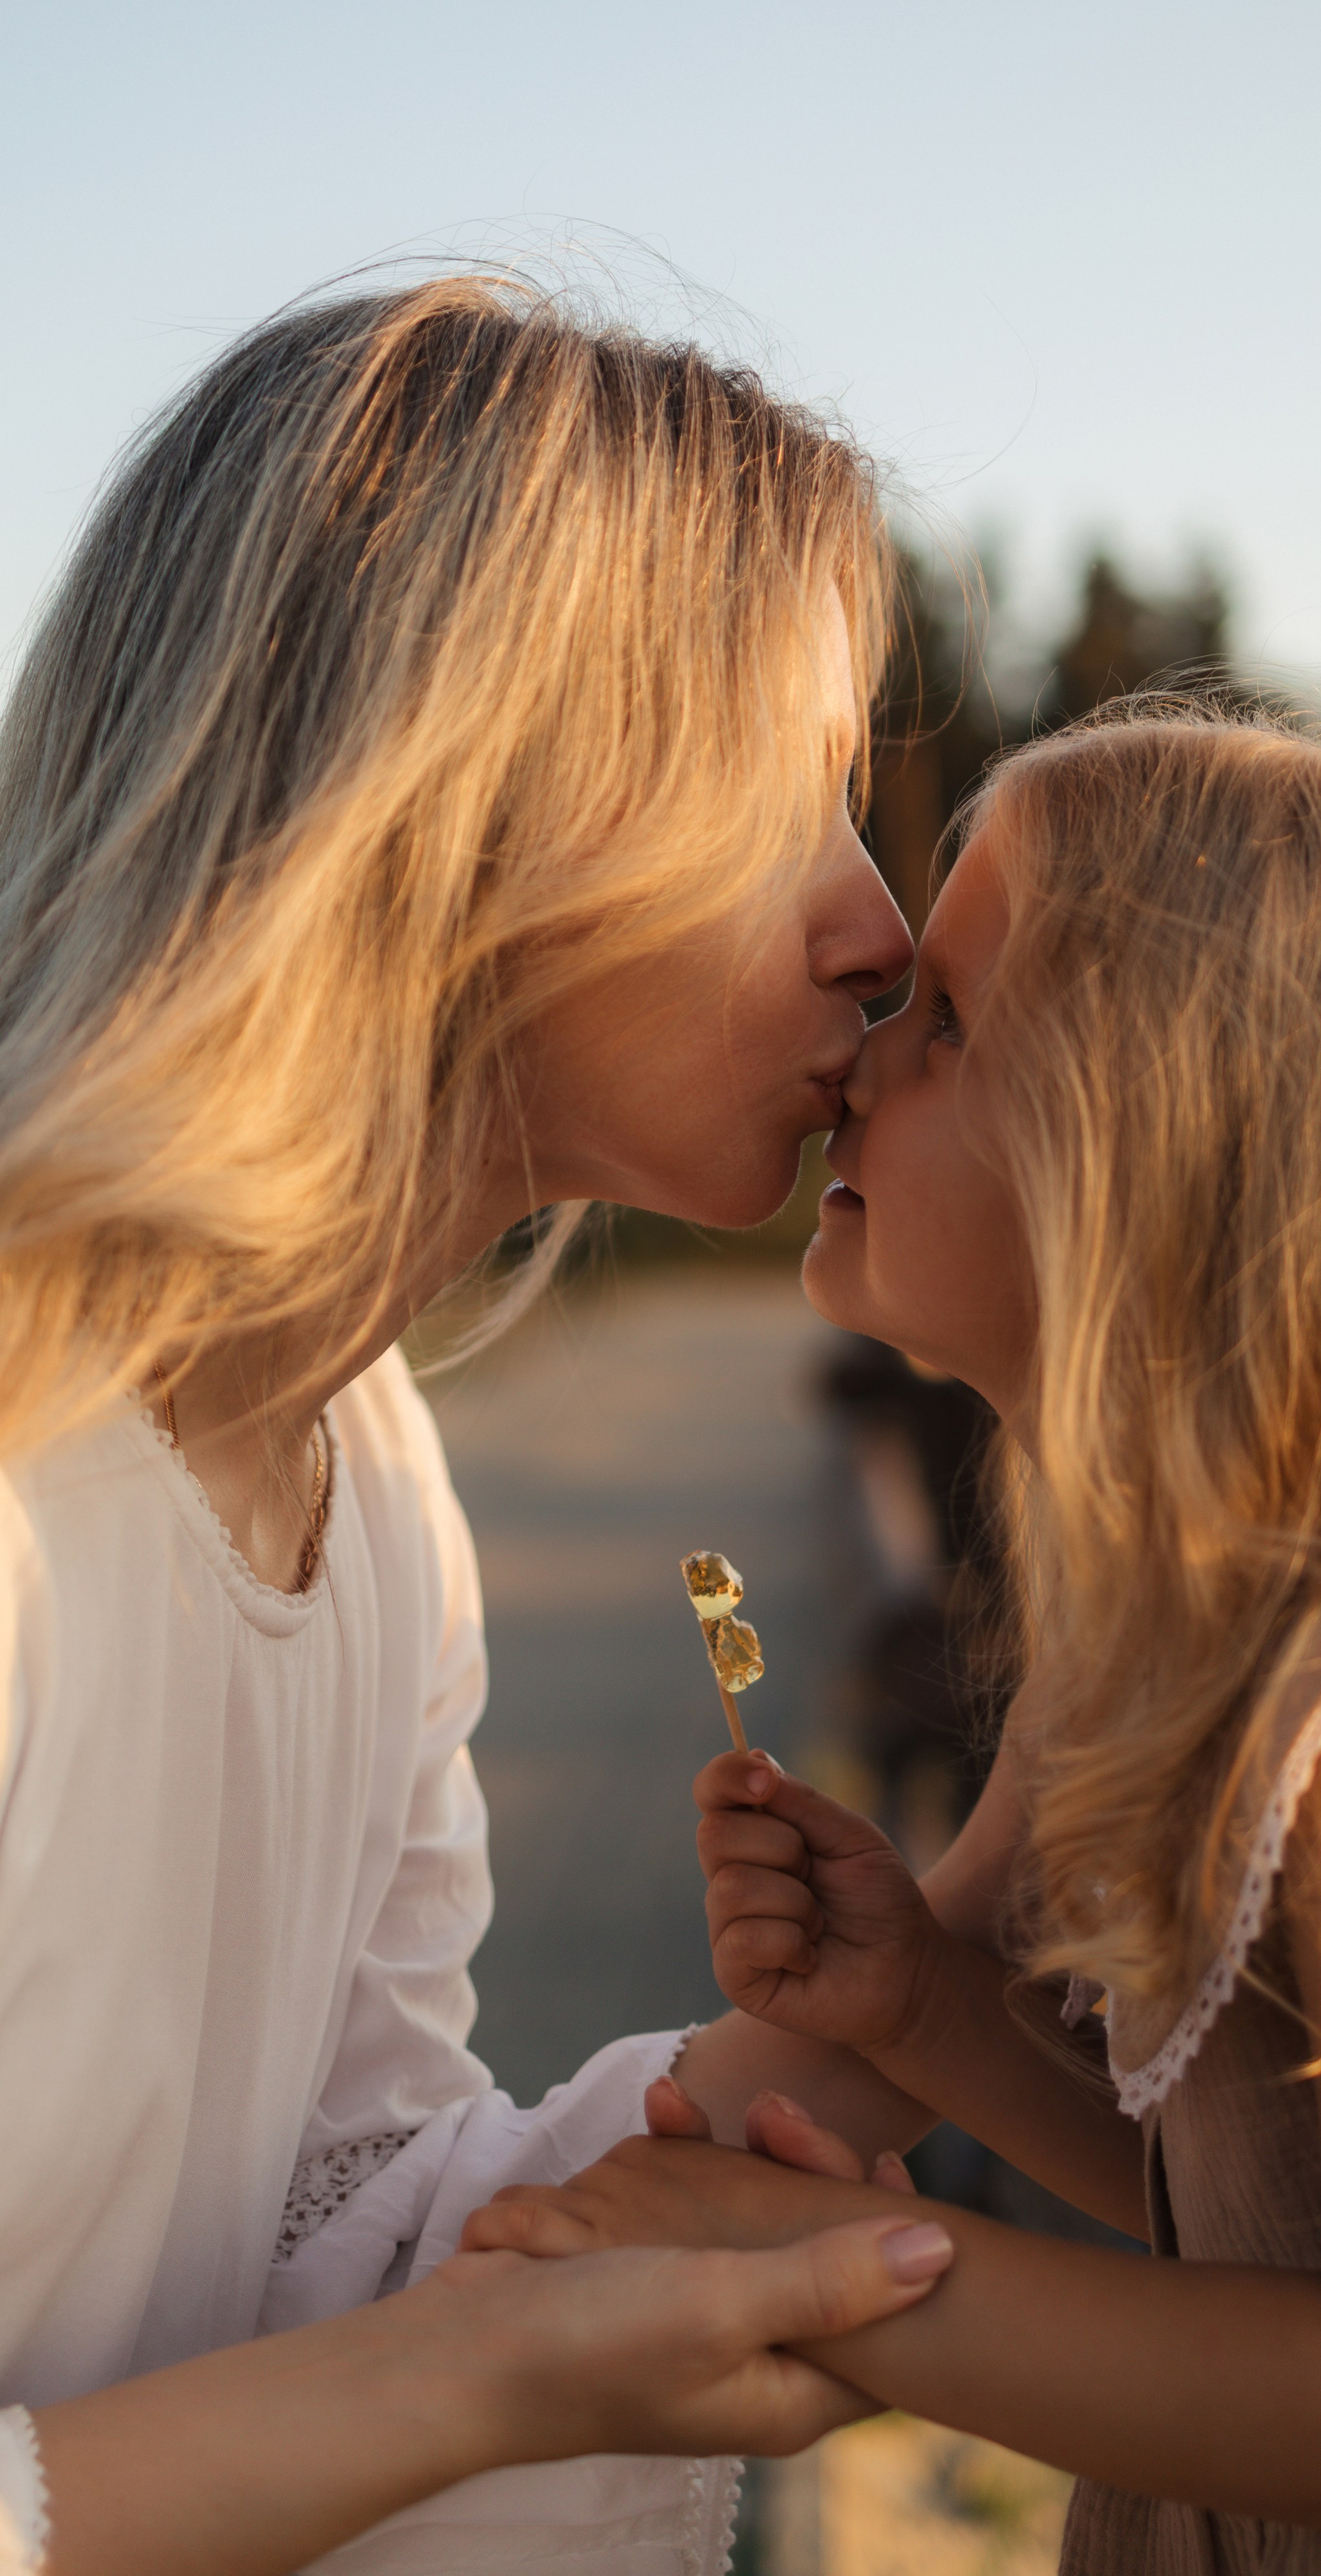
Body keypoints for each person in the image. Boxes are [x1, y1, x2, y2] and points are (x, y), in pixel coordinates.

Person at [469, 703, 1321, 2569]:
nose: (861, 1058)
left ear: (1170, 1168)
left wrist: (814, 2277)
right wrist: (921, 2002)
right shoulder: (1167, 1646)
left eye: (950, 1023)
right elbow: (1252, 2222)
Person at [0, 271, 971, 2576]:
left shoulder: (377, 1489)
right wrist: (476, 2373)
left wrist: (954, 1957)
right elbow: (400, 2368)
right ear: (452, 781)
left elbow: (322, 2248)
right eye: (788, 795)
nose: (888, 929)